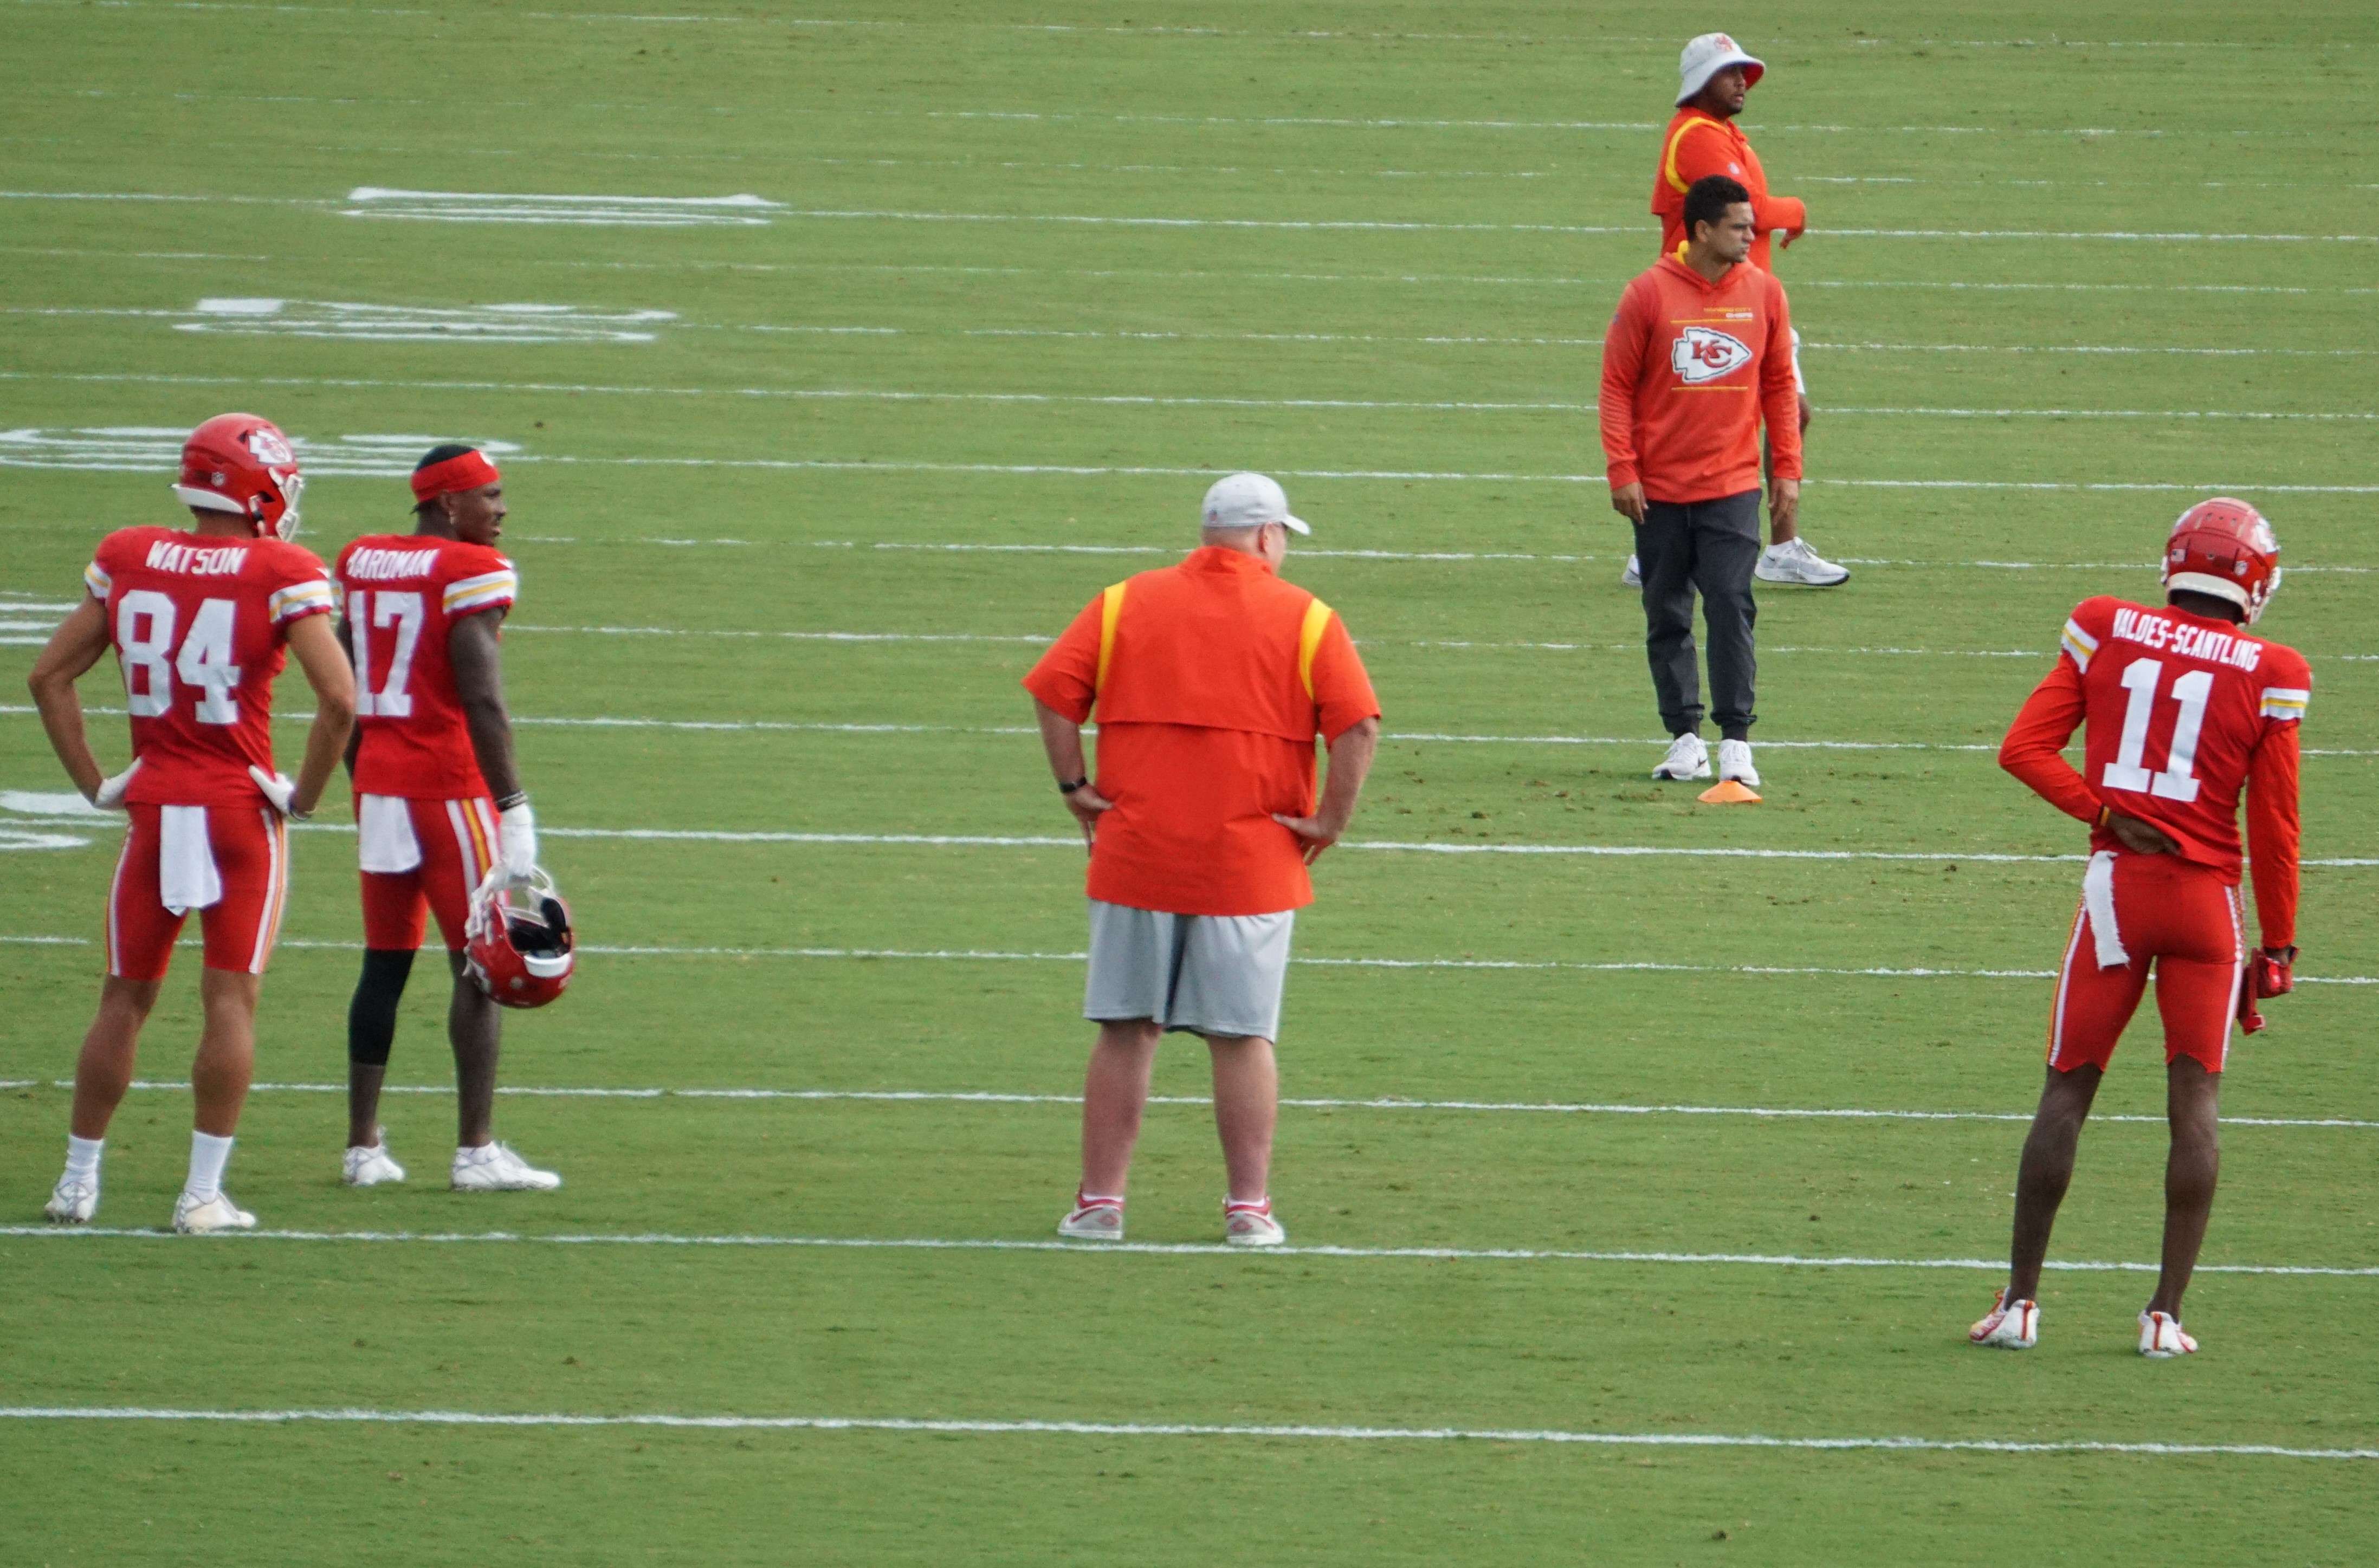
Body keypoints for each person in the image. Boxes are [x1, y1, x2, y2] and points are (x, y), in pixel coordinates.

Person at [1972, 498, 2306, 1358]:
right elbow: (2274, 826)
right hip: (2204, 907)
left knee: (2065, 1091)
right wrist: (2278, 944)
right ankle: (2164, 1316)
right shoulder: (2272, 667)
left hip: (2117, 893)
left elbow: (2022, 748)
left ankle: (2019, 1304)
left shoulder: (2102, 625)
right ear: (2254, 585)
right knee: (2193, 1104)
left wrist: (2104, 813)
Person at [1022, 473, 1380, 1247]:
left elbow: (1053, 693)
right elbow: (1357, 728)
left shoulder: (1125, 601)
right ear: (1262, 536)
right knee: (1242, 1034)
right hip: (1249, 859)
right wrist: (1329, 822)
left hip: (1136, 851)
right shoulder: (1307, 617)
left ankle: (1098, 1205)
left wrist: (1072, 785)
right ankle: (1247, 1209)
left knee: (1124, 1028)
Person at [29, 413, 355, 1233]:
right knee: (230, 1000)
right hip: (238, 811)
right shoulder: (280, 566)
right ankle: (200, 1193)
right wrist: (304, 795)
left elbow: (47, 677)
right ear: (254, 485)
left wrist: (98, 784)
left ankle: (76, 1182)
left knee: (123, 998)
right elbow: (342, 700)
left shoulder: (132, 554)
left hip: (155, 806)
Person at [331, 443, 559, 1194]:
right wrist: (514, 808)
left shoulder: (364, 560)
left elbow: (344, 673)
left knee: (383, 961)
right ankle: (476, 1151)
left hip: (380, 784)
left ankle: (363, 1146)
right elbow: (481, 696)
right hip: (446, 787)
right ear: (447, 503)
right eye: (487, 496)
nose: (501, 510)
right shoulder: (471, 571)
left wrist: (359, 768)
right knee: (481, 964)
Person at [1620, 31, 1848, 591]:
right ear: (1701, 82)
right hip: (1709, 299)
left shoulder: (1720, 134)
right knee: (1716, 416)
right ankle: (1756, 547)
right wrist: (1796, 212)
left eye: (1744, 71)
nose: (1741, 80)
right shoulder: (1698, 138)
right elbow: (1747, 209)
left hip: (1744, 295)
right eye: (1729, 73)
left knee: (1777, 411)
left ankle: (1764, 545)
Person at [1599, 174, 1800, 788]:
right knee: (1665, 611)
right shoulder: (1647, 295)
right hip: (1658, 489)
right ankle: (1684, 737)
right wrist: (1622, 468)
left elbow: (1777, 385)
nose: (1750, 235)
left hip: (1732, 484)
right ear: (1703, 230)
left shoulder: (1764, 292)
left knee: (1731, 604)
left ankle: (1736, 740)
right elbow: (1615, 386)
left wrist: (1786, 469)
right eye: (1740, 226)